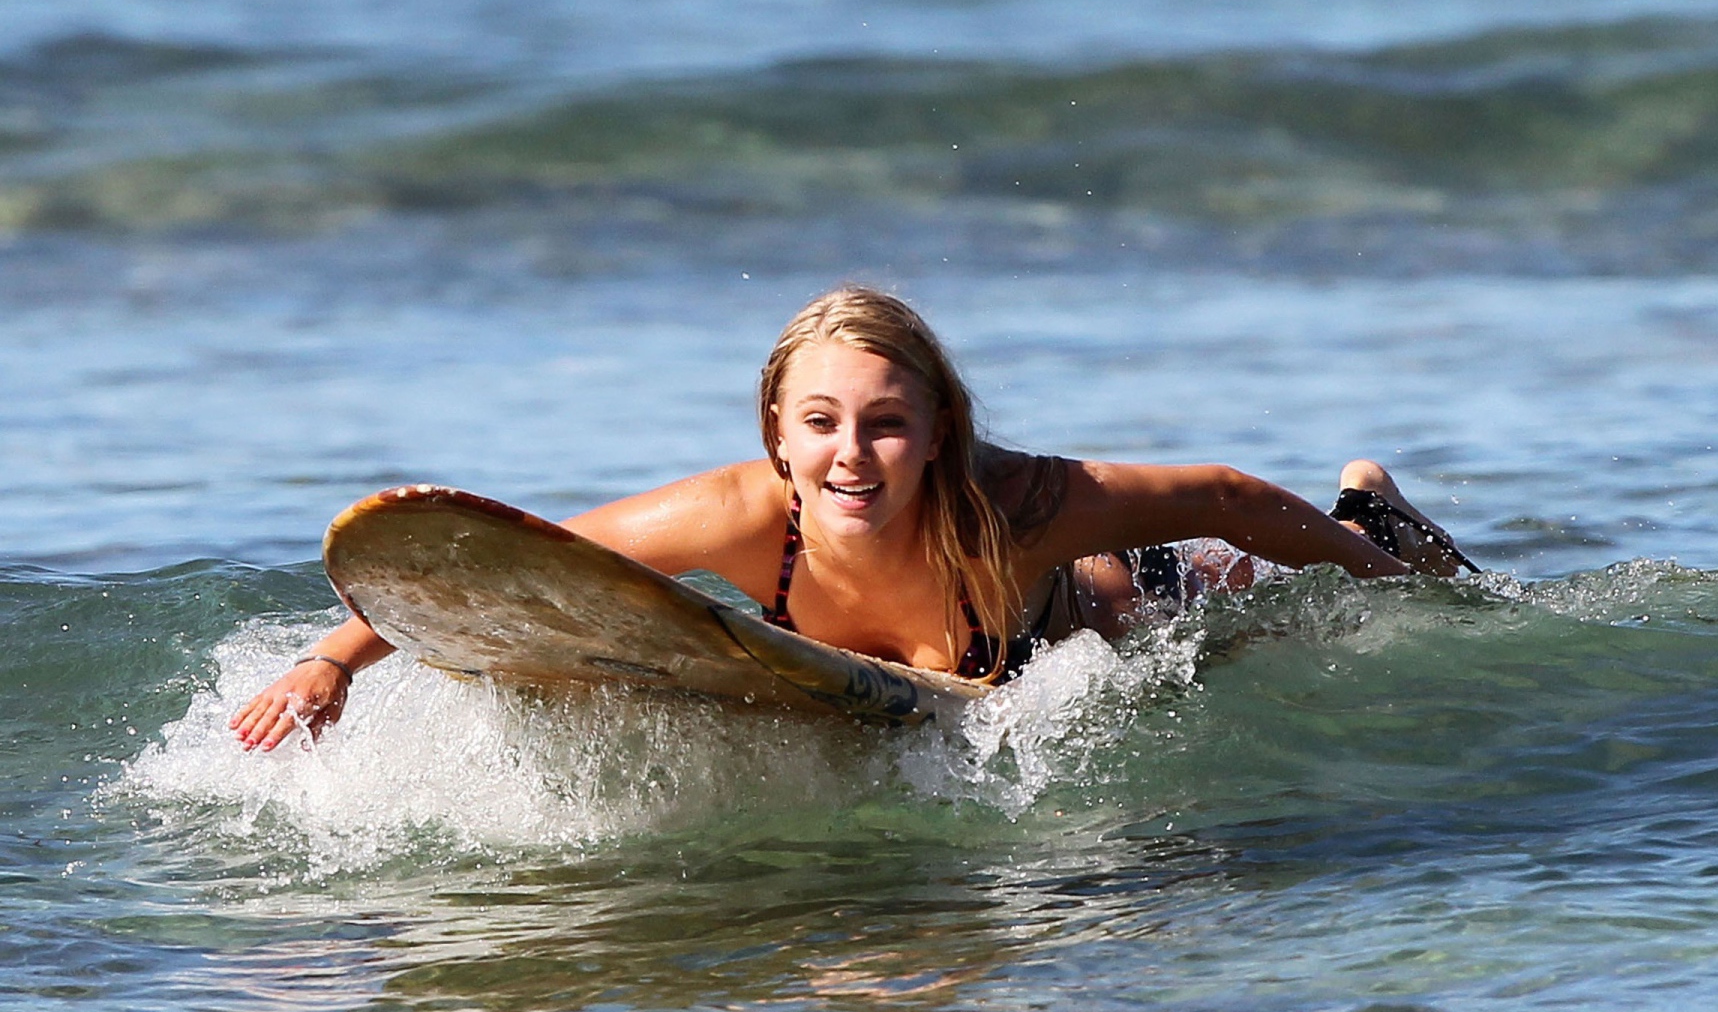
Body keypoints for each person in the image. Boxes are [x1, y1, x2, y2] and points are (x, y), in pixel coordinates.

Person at [231, 287, 1474, 751]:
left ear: (938, 430)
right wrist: (329, 661)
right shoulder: (739, 515)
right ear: (778, 431)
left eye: (885, 422)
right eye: (820, 422)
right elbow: (510, 563)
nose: (851, 454)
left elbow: (1228, 498)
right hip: (947, 676)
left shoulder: (1021, 500)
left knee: (1260, 623)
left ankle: (1377, 511)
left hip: (1124, 608)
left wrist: (1373, 572)